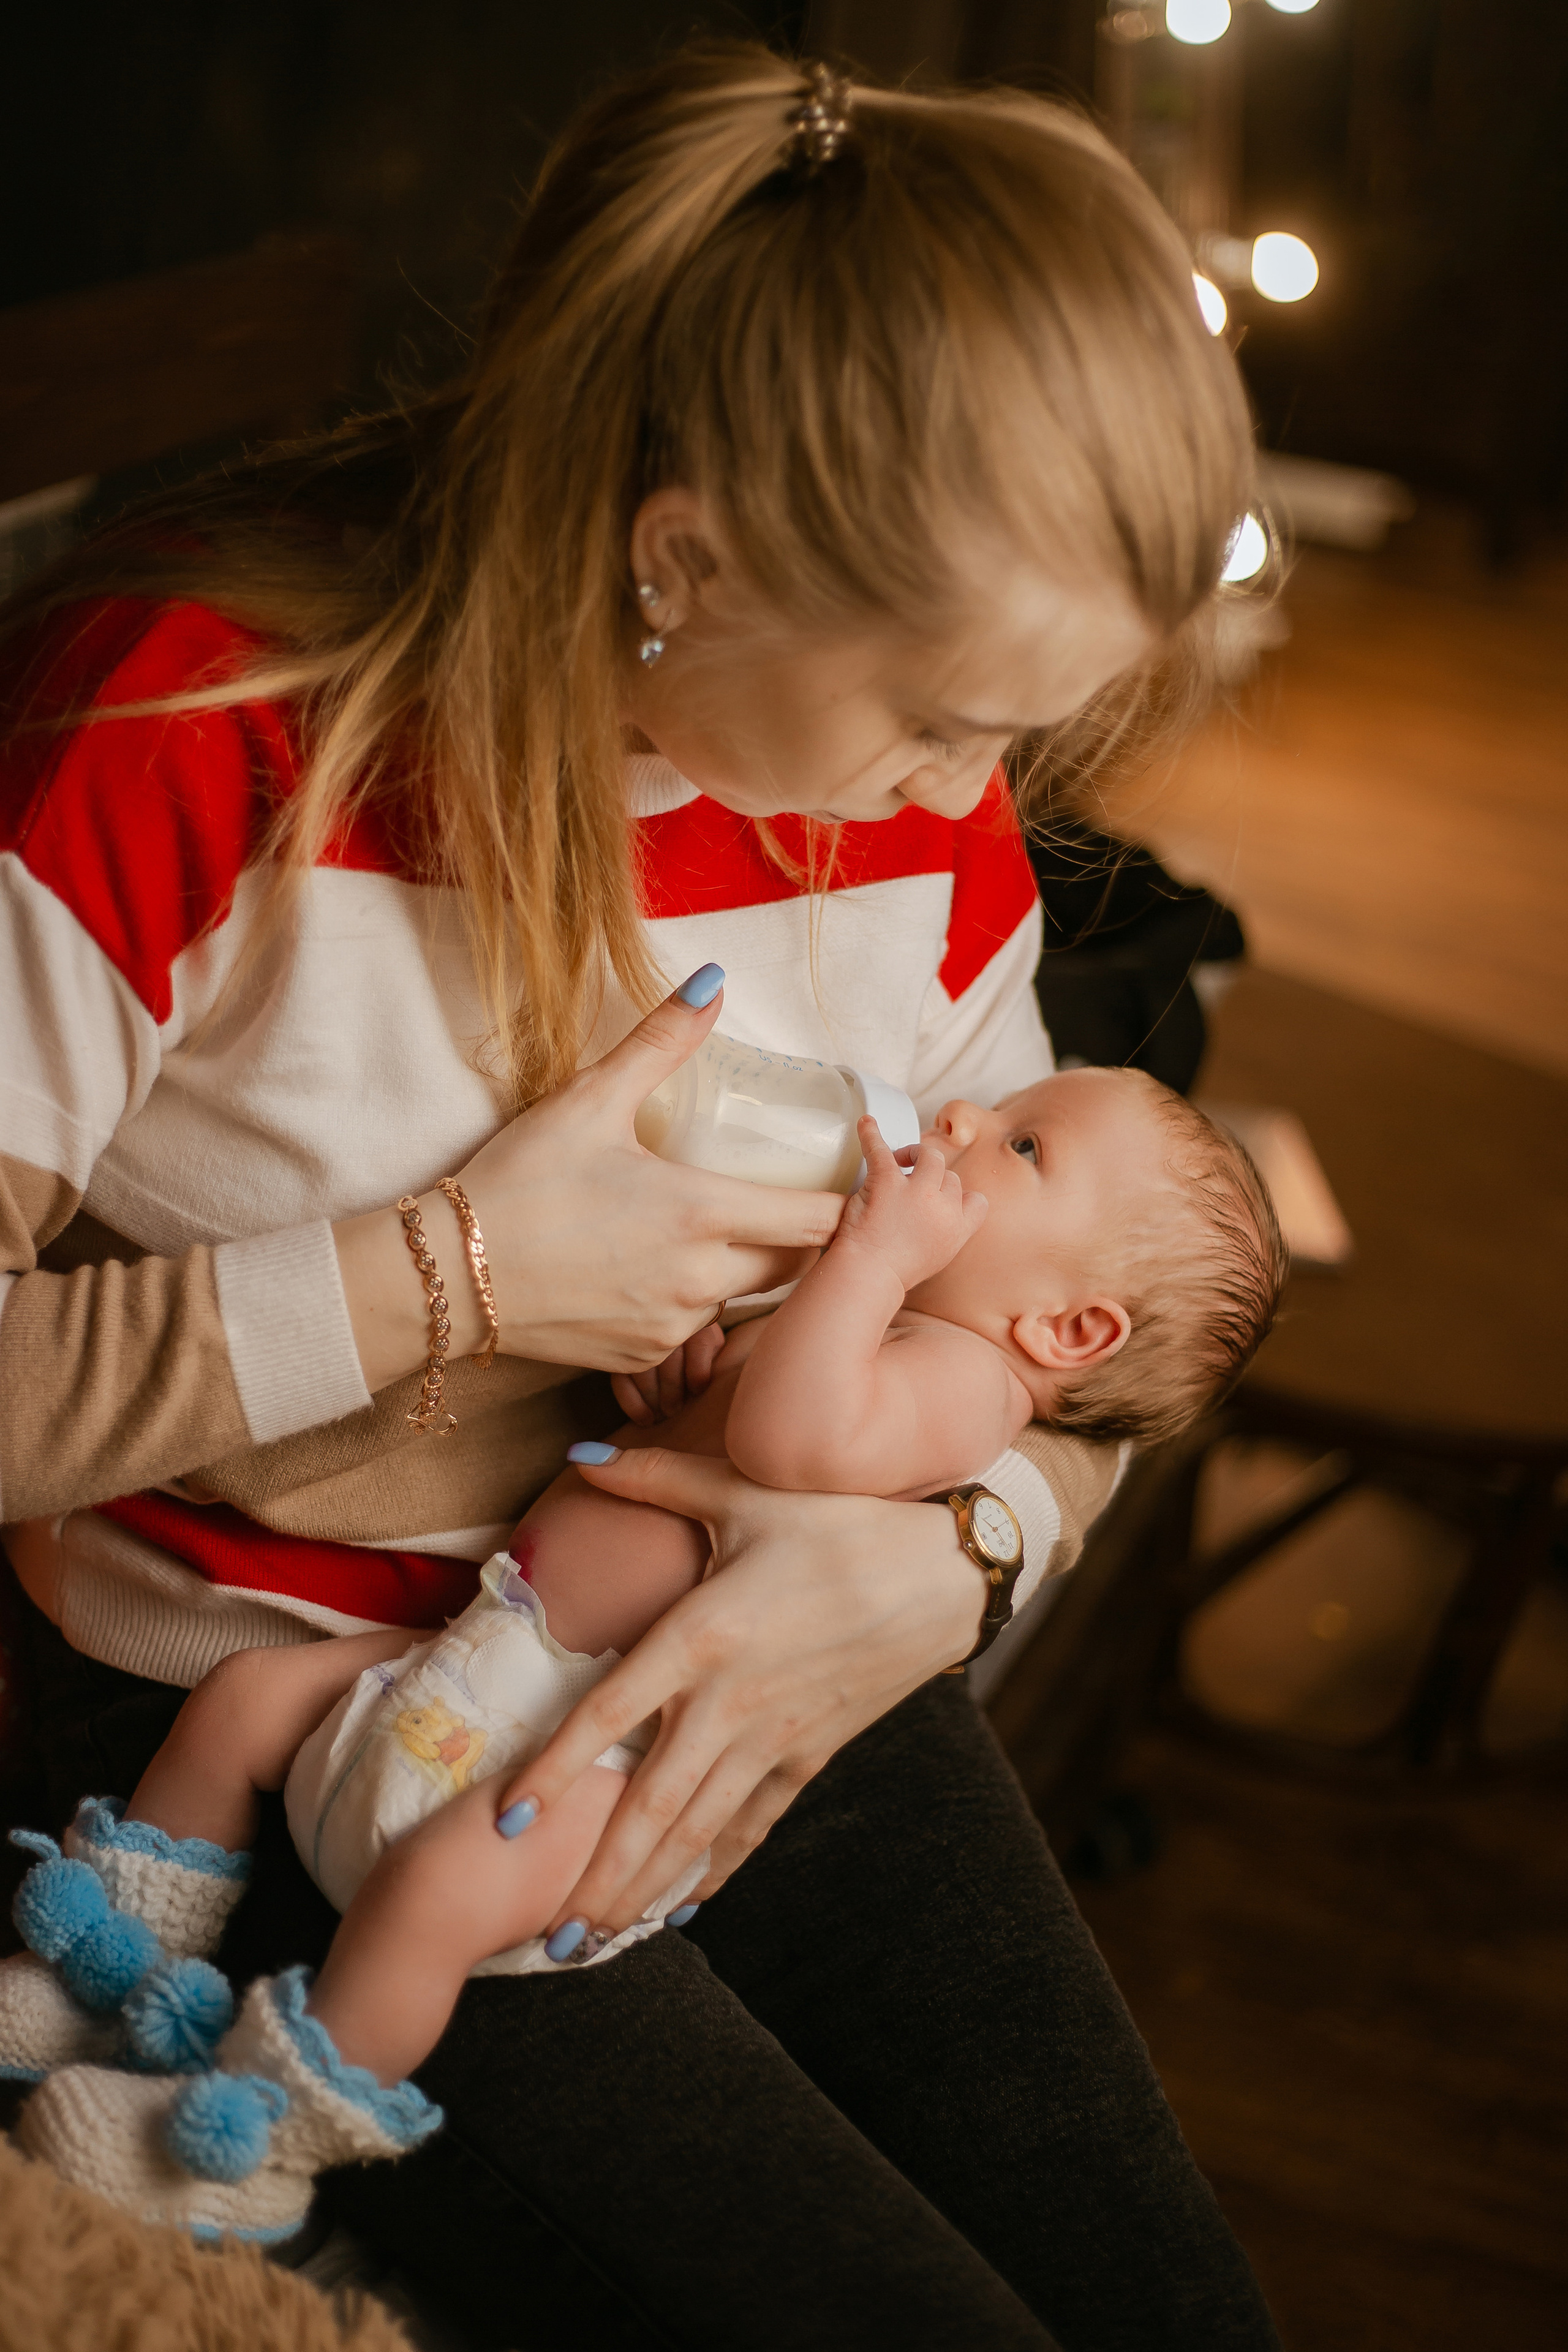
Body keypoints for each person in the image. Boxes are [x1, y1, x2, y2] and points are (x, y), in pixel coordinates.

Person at [0, 44, 1281, 2350]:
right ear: (684, 556)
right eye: (942, 717)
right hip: (283, 1720)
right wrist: (454, 1273)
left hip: (742, 1641)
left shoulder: (915, 823)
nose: (973, 796)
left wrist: (953, 1559)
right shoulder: (188, 734)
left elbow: (1067, 1332)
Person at [7, 1071, 1285, 2238]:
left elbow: (793, 1437)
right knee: (245, 1698)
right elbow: (755, 1413)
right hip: (486, 1653)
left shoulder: (965, 1383)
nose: (959, 1118)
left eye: (1022, 1145)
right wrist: (686, 1384)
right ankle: (114, 1966)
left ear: (1069, 1333)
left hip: (589, 1747)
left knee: (434, 1895)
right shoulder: (899, 1325)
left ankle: (258, 2143)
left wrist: (869, 1258)